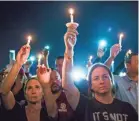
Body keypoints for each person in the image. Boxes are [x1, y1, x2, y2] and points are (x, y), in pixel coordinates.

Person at [62, 24, 138, 121]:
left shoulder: (127, 109)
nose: (101, 81)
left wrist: (111, 57)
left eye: (105, 77)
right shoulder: (85, 106)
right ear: (91, 85)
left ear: (112, 81)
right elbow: (67, 85)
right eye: (96, 78)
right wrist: (69, 49)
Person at [1, 44, 55, 121]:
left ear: (43, 92)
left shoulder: (48, 112)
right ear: (25, 93)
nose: (33, 91)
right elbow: (4, 92)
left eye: (37, 87)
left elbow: (52, 111)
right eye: (29, 88)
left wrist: (45, 84)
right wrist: (18, 63)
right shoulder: (18, 110)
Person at [105, 44, 138, 112]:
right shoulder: (118, 81)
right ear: (127, 65)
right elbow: (103, 74)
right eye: (137, 62)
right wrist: (111, 57)